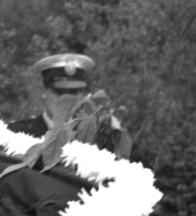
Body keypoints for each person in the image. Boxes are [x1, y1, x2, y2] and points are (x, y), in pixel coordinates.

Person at [9, 53, 138, 160]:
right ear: (44, 92)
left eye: (74, 93)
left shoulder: (97, 140)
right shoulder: (16, 133)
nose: (67, 100)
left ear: (83, 96)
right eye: (60, 93)